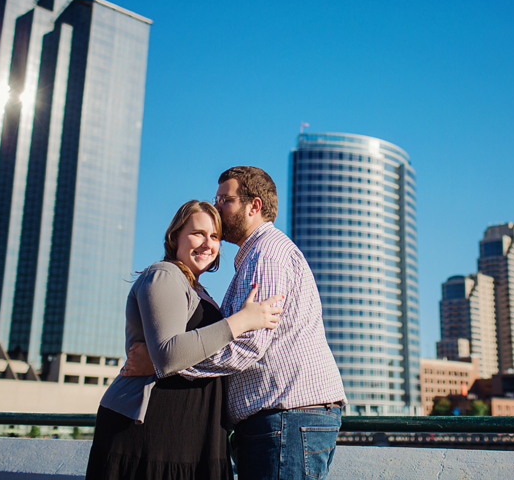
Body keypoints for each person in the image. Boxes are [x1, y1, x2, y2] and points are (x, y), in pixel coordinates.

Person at [123, 166, 347, 480]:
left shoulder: (265, 256)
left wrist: (167, 363)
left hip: (284, 417)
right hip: (281, 418)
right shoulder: (256, 257)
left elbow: (247, 344)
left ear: (254, 206)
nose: (217, 208)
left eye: (225, 200)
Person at [86, 200, 284, 480]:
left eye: (214, 236)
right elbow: (169, 354)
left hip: (192, 433)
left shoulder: (196, 288)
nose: (207, 243)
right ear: (175, 236)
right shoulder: (164, 274)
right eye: (198, 233)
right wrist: (243, 320)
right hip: (152, 432)